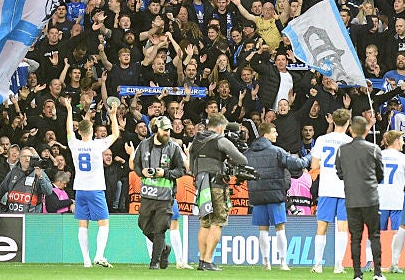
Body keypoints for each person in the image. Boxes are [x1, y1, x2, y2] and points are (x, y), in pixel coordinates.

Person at [245, 121, 312, 270]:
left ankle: (266, 263)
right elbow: (297, 164)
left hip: (257, 196)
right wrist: (310, 157)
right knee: (280, 229)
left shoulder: (248, 152)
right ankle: (283, 262)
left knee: (263, 230)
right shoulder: (277, 151)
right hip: (275, 195)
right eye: (274, 131)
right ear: (266, 134)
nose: (277, 134)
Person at [62, 95, 120, 268]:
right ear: (92, 131)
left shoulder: (74, 144)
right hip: (95, 189)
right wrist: (113, 115)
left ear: (80, 131)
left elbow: (68, 131)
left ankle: (86, 260)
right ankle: (99, 255)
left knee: (82, 224)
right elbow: (116, 133)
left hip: (80, 189)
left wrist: (69, 110)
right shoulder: (98, 144)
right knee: (104, 223)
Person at [187, 112, 248, 271]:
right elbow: (242, 160)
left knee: (205, 223)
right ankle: (208, 260)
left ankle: (201, 260)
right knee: (217, 222)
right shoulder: (220, 140)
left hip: (201, 185)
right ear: (220, 127)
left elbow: (191, 166)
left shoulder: (197, 140)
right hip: (216, 185)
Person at [133, 115, 188, 270]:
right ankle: (164, 249)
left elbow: (182, 170)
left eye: (169, 130)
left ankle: (154, 262)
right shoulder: (143, 145)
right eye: (164, 130)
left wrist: (165, 173)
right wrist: (142, 172)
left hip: (165, 196)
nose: (167, 133)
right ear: (157, 129)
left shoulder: (174, 148)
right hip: (147, 194)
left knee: (160, 228)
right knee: (143, 226)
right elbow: (135, 166)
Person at [337, 115, 386, 280]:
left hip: (351, 199)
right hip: (370, 198)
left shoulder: (342, 150)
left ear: (351, 130)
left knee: (355, 238)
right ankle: (378, 273)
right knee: (374, 236)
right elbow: (380, 174)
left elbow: (340, 174)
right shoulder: (373, 149)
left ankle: (357, 274)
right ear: (367, 130)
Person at [311, 108, 354, 274]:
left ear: (333, 121)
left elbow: (314, 165)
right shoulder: (350, 142)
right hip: (344, 190)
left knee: (322, 227)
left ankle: (317, 265)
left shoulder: (322, 139)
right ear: (348, 123)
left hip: (326, 189)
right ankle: (338, 265)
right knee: (342, 227)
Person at [379, 130, 405, 273]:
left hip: (379, 199)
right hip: (397, 200)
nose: (403, 142)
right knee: (397, 232)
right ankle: (394, 263)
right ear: (397, 141)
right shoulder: (404, 159)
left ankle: (369, 262)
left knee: (374, 233)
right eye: (402, 139)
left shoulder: (377, 155)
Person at [0, 146, 54, 214]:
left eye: (29, 157)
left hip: (31, 217)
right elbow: (2, 187)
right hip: (13, 215)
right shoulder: (13, 172)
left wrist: (40, 177)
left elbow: (49, 191)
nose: (27, 159)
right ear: (19, 158)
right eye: (24, 156)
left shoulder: (39, 172)